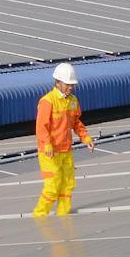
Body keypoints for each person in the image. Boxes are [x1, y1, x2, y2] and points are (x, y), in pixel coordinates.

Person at [32, 62, 95, 217]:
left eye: (72, 85)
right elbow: (41, 127)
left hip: (65, 150)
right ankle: (39, 216)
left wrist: (85, 137)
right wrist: (47, 145)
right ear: (58, 82)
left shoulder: (72, 101)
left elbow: (76, 122)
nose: (71, 87)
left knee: (67, 185)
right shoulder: (47, 101)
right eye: (68, 84)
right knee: (52, 187)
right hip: (49, 153)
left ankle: (63, 216)